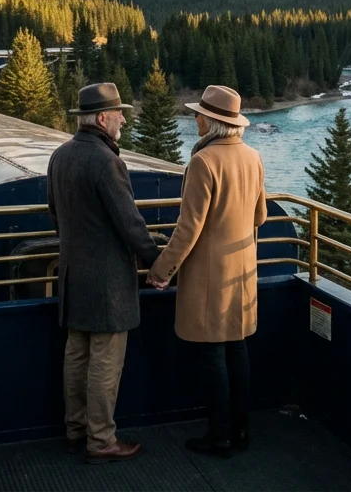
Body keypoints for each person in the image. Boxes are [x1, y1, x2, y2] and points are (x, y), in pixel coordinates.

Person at [147, 85, 267, 457]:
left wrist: (161, 270)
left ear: (213, 122)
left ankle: (220, 436)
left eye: (199, 114)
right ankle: (241, 431)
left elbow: (189, 228)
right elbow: (260, 216)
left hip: (210, 277)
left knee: (213, 354)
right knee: (237, 350)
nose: (194, 118)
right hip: (242, 271)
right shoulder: (253, 157)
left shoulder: (203, 161)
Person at [47, 82, 161, 465]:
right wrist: (157, 261)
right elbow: (130, 223)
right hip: (108, 283)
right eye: (119, 113)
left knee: (76, 354)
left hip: (72, 273)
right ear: (101, 119)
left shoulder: (60, 156)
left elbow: (55, 214)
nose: (124, 119)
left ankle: (76, 430)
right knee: (105, 362)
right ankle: (102, 441)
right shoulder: (107, 162)